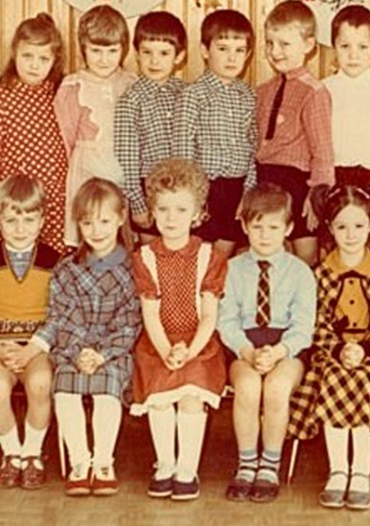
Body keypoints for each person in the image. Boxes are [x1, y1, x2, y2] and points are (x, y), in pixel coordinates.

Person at [288, 185, 370, 511]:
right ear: (329, 228)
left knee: (364, 377)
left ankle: (361, 470)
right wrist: (338, 350)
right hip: (330, 354)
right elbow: (315, 321)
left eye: (359, 226)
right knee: (335, 376)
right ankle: (338, 470)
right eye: (342, 226)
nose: (351, 235)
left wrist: (364, 349)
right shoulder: (320, 274)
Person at [131, 158, 228, 501]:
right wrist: (166, 352)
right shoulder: (144, 257)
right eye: (163, 209)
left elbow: (209, 315)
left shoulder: (210, 256)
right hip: (157, 344)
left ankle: (187, 468)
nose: (171, 218)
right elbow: (150, 314)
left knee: (190, 398)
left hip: (199, 345)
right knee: (160, 400)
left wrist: (189, 350)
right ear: (152, 212)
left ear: (198, 213)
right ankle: (165, 464)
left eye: (181, 209)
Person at [218, 183, 316, 503]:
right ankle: (247, 463)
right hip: (244, 346)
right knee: (247, 387)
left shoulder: (300, 272)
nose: (264, 235)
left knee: (276, 388)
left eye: (273, 227)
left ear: (288, 228)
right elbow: (226, 320)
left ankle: (270, 465)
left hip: (287, 348)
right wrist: (247, 352)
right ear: (244, 226)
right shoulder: (231, 269)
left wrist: (278, 352)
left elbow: (303, 326)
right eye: (257, 227)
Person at [0, 174, 61, 489]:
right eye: (11, 220)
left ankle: (32, 452)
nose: (20, 228)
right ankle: (12, 453)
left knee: (40, 383)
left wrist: (34, 347)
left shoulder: (55, 261)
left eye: (29, 220)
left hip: (36, 348)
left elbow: (61, 314)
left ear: (42, 220)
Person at [45, 178, 140, 497]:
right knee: (65, 388)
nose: (96, 231)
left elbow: (130, 322)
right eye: (87, 223)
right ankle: (79, 462)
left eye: (104, 221)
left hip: (114, 352)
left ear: (121, 217)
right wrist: (79, 353)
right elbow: (62, 315)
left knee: (106, 388)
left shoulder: (133, 268)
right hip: (73, 349)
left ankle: (102, 463)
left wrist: (101, 355)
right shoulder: (67, 268)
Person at [0, 13, 69, 251]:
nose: (34, 65)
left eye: (43, 58)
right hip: (16, 204)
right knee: (14, 262)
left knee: (53, 261)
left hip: (56, 201)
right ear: (15, 53)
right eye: (27, 56)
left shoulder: (61, 93)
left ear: (54, 60)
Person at [256, 0, 335, 265]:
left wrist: (317, 195)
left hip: (298, 183)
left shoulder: (314, 92)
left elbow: (322, 152)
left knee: (305, 254)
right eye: (270, 43)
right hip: (265, 178)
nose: (275, 51)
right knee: (268, 251)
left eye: (285, 44)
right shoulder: (263, 91)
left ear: (308, 45)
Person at [173, 9, 257, 256]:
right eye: (223, 49)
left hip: (237, 188)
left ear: (248, 55)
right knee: (201, 255)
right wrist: (193, 198)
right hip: (205, 188)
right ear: (205, 50)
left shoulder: (248, 96)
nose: (232, 58)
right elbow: (183, 153)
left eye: (239, 50)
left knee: (224, 256)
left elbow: (253, 148)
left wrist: (248, 192)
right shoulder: (193, 95)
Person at [54, 5, 137, 247]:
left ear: (123, 49)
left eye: (112, 51)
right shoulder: (73, 86)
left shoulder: (131, 83)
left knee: (119, 236)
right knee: (90, 230)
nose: (104, 59)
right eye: (96, 51)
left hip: (122, 171)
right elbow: (66, 138)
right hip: (87, 171)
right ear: (84, 49)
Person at [322, 5, 370, 241]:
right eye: (345, 46)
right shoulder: (323, 90)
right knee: (332, 245)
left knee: (366, 245)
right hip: (332, 178)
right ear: (334, 47)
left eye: (362, 47)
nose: (353, 55)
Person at [114, 11, 187, 244]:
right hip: (148, 189)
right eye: (147, 53)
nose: (154, 61)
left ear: (179, 56)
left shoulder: (187, 94)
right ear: (137, 54)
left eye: (164, 53)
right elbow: (127, 160)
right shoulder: (130, 100)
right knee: (152, 252)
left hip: (182, 188)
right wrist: (138, 204)